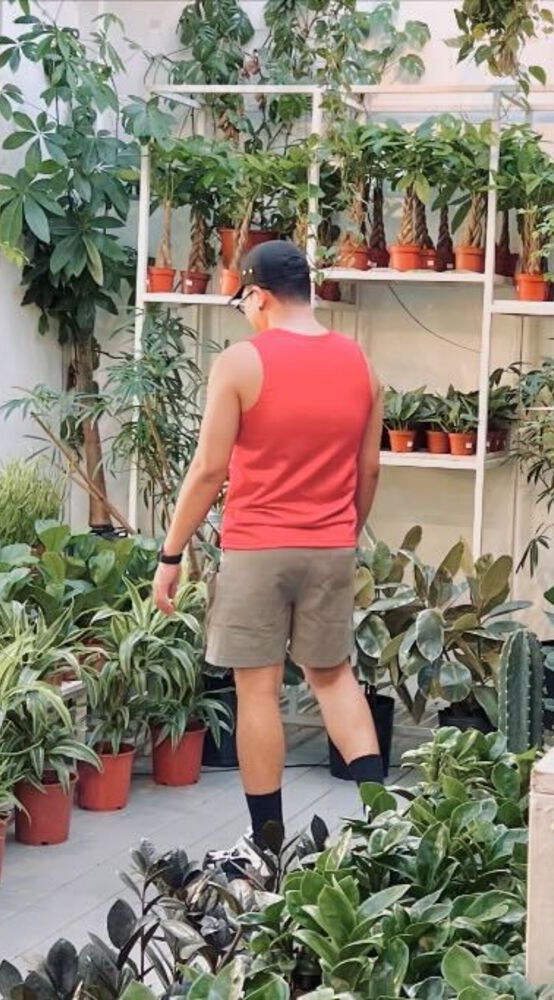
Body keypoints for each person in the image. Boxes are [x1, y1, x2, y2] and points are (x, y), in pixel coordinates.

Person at [153, 240, 385, 844]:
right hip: (332, 545)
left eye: (243, 302)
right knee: (333, 678)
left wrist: (171, 554)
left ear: (257, 295)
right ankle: (386, 825)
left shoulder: (239, 363)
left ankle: (268, 844)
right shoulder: (361, 364)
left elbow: (209, 470)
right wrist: (343, 533)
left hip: (257, 548)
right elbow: (370, 471)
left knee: (256, 689)